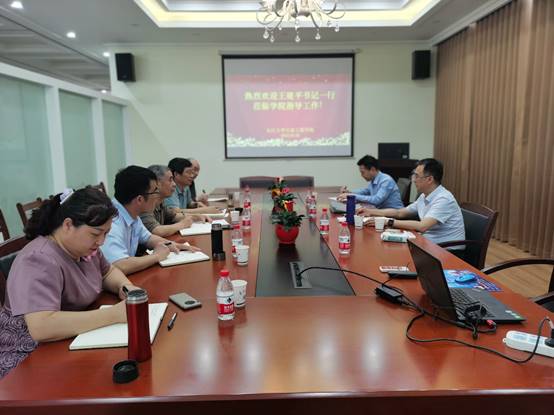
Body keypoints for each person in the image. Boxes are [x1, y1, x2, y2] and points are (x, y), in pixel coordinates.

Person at [0, 188, 141, 378]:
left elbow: (107, 272)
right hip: (29, 357)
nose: (101, 241)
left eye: (106, 233)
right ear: (68, 225)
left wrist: (125, 287)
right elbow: (42, 327)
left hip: (71, 337)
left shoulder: (84, 248)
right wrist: (114, 315)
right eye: (95, 234)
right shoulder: (38, 259)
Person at [101, 165, 199, 275]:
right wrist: (156, 256)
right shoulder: (111, 222)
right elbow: (120, 265)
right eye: (155, 191)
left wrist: (173, 245)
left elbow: (148, 238)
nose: (158, 195)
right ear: (139, 199)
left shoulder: (130, 211)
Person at [357, 158, 465, 246]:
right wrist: (370, 212)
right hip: (428, 243)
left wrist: (388, 222)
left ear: (429, 179)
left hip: (446, 250)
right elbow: (400, 212)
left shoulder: (443, 199)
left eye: (417, 176)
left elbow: (422, 226)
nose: (413, 180)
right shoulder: (424, 195)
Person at [140, 165, 207, 237]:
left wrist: (194, 217)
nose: (174, 184)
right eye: (170, 180)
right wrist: (182, 224)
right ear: (157, 183)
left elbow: (174, 216)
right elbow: (156, 231)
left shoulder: (160, 202)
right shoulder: (145, 203)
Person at [338, 155, 404, 209]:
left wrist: (352, 196)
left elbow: (376, 200)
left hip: (394, 215)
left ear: (372, 169)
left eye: (363, 172)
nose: (361, 175)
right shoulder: (374, 180)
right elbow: (366, 191)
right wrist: (349, 192)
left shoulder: (386, 180)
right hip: (382, 212)